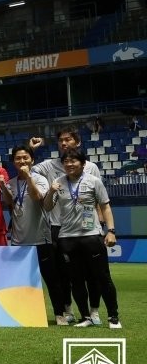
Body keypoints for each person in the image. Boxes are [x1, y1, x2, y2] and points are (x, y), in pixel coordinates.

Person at [30, 127, 103, 324]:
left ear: (77, 142)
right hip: (58, 228)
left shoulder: (91, 167)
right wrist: (33, 150)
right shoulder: (48, 166)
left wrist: (101, 225)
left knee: (91, 273)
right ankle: (68, 310)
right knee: (63, 274)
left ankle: (94, 311)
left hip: (87, 228)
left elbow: (98, 199)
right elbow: (26, 171)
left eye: (68, 139)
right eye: (61, 140)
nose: (64, 143)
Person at [43, 149, 121, 329]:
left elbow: (105, 207)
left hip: (91, 236)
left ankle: (113, 317)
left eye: (73, 161)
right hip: (67, 239)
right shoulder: (58, 182)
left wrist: (111, 231)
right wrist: (50, 191)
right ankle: (85, 316)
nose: (69, 164)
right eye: (66, 161)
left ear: (83, 163)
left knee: (102, 277)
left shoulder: (94, 181)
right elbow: (47, 207)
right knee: (75, 280)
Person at [5, 145, 68, 326]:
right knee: (19, 282)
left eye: (25, 158)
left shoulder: (40, 179)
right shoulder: (11, 182)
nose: (22, 161)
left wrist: (29, 177)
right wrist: (3, 187)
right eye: (18, 158)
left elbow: (36, 197)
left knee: (51, 278)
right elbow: (9, 203)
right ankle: (21, 314)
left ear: (32, 160)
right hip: (18, 241)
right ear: (13, 162)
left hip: (41, 239)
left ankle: (59, 313)